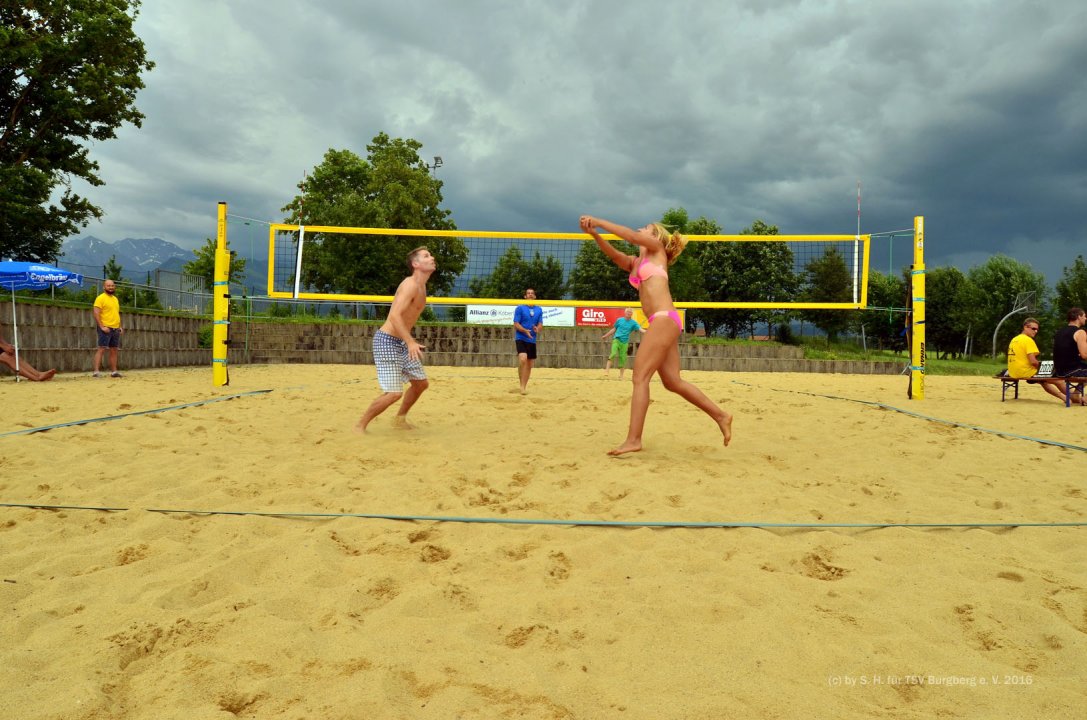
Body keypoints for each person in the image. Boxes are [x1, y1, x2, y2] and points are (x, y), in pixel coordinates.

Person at [580, 215, 732, 455]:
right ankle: (721, 415)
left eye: (647, 228)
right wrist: (595, 235)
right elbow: (613, 255)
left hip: (664, 318)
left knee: (640, 378)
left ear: (655, 237)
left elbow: (629, 235)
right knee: (673, 382)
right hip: (661, 322)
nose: (642, 228)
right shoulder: (635, 262)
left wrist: (598, 221)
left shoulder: (656, 250)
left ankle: (634, 439)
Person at [356, 247, 436, 432]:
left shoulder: (422, 286)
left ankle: (399, 420)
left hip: (401, 341)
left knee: (420, 384)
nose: (432, 258)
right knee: (394, 393)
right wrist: (410, 342)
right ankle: (360, 426)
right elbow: (394, 316)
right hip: (387, 341)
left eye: (430, 255)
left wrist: (408, 341)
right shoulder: (410, 285)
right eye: (426, 256)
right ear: (415, 264)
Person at [1006, 317, 1069, 403]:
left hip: (1013, 371)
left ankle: (1064, 398)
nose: (1036, 331)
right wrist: (1042, 367)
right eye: (1033, 329)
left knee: (1043, 381)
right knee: (1058, 380)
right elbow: (1033, 361)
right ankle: (1073, 397)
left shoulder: (1014, 339)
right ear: (1025, 327)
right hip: (1025, 372)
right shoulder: (1028, 340)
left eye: (1037, 329)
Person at [1053, 307, 1087, 404]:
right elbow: (1084, 355)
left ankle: (1076, 392)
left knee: (1084, 368)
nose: (1086, 318)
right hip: (1072, 370)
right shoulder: (1080, 332)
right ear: (1079, 317)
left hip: (1059, 371)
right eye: (1084, 316)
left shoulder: (1059, 332)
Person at [513, 287, 543, 394]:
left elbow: (540, 325)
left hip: (532, 339)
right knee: (522, 359)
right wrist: (525, 331)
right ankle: (521, 385)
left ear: (534, 296)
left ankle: (523, 387)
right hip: (521, 337)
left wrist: (537, 329)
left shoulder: (539, 309)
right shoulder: (520, 308)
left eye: (532, 293)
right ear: (525, 296)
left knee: (530, 364)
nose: (530, 295)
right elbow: (516, 324)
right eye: (528, 293)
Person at [92, 279, 124, 378]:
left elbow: (116, 314)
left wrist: (119, 326)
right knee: (101, 349)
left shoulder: (115, 299)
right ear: (104, 287)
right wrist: (102, 326)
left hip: (115, 328)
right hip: (105, 327)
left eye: (112, 286)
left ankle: (114, 371)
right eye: (108, 286)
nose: (111, 287)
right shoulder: (100, 298)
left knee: (114, 349)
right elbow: (96, 313)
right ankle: (96, 371)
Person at [601, 308, 642, 379]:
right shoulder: (619, 320)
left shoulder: (633, 323)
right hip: (616, 339)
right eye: (627, 312)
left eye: (630, 312)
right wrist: (606, 335)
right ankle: (606, 371)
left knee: (623, 358)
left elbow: (640, 329)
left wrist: (648, 331)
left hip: (625, 342)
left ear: (631, 314)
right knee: (613, 353)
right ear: (625, 313)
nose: (629, 313)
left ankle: (621, 375)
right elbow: (614, 329)